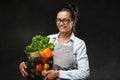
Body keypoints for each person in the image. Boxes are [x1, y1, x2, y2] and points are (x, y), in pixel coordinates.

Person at [19, 3, 90, 80]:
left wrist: (58, 74)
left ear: (73, 22)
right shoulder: (49, 39)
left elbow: (84, 73)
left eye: (65, 20)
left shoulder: (79, 44)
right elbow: (38, 60)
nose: (61, 23)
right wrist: (24, 64)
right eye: (58, 20)